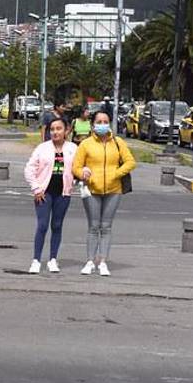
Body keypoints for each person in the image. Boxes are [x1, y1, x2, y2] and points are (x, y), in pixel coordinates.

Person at [71, 111, 136, 277]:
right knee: (93, 226)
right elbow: (76, 167)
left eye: (105, 121)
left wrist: (116, 174)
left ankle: (103, 262)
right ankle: (90, 261)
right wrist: (83, 173)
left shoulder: (118, 142)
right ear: (93, 125)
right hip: (92, 190)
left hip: (114, 190)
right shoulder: (86, 144)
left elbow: (130, 162)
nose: (102, 124)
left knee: (106, 226)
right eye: (99, 121)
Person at [24, 118, 78, 274]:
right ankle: (36, 260)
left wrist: (84, 174)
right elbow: (29, 169)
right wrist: (36, 188)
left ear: (66, 131)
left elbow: (80, 167)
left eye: (59, 128)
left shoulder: (73, 148)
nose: (55, 132)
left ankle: (53, 259)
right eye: (52, 129)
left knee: (57, 225)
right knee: (42, 226)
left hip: (63, 193)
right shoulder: (43, 148)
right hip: (44, 192)